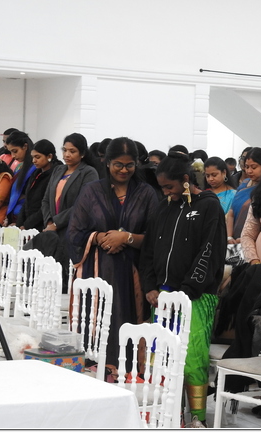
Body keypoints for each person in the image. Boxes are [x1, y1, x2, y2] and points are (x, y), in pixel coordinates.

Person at [140, 149, 226, 425]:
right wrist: (150, 286)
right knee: (162, 356)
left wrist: (187, 291)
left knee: (192, 358)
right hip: (162, 297)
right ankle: (169, 415)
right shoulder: (163, 207)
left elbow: (209, 252)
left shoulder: (209, 206)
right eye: (162, 187)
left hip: (196, 297)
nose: (166, 192)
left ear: (186, 180)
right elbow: (149, 251)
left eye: (170, 187)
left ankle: (197, 420)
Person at [68, 137, 159, 369]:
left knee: (126, 321)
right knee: (97, 322)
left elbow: (157, 237)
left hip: (132, 273)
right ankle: (95, 366)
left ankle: (126, 370)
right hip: (97, 271)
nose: (124, 170)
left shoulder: (146, 194)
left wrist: (126, 238)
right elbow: (74, 232)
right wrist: (100, 237)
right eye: (118, 164)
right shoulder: (91, 191)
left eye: (130, 165)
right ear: (107, 162)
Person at [42, 133, 99, 238]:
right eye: (64, 150)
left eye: (72, 151)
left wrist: (57, 223)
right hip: (52, 229)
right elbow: (46, 200)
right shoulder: (58, 170)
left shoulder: (89, 172)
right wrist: (49, 222)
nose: (67, 154)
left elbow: (83, 205)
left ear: (82, 154)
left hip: (75, 229)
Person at [17, 139, 62, 231]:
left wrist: (27, 225)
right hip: (28, 224)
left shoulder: (56, 175)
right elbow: (27, 200)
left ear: (49, 156)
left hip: (42, 225)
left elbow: (46, 205)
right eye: (32, 157)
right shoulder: (36, 173)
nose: (34, 161)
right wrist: (20, 223)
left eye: (37, 157)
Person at [227, 147, 261, 243]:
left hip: (254, 241)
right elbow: (231, 212)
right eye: (247, 167)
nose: (249, 171)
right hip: (234, 241)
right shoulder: (244, 183)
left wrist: (246, 239)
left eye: (254, 167)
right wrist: (229, 237)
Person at [4, 131, 36, 226]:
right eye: (11, 152)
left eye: (15, 151)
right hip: (15, 215)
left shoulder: (36, 168)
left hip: (26, 216)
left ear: (25, 146)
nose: (13, 156)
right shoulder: (19, 167)